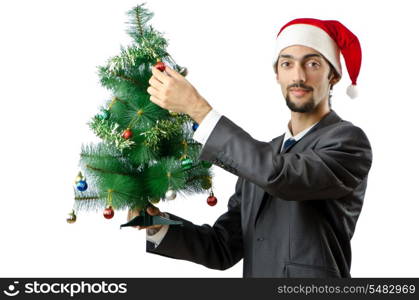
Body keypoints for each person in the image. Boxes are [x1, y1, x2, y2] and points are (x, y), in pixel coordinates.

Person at [128, 18, 373, 278]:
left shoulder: (348, 142)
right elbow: (223, 247)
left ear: (333, 75)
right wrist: (156, 224)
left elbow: (280, 176)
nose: (298, 76)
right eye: (287, 63)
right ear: (277, 74)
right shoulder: (262, 155)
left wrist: (197, 109)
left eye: (312, 64)